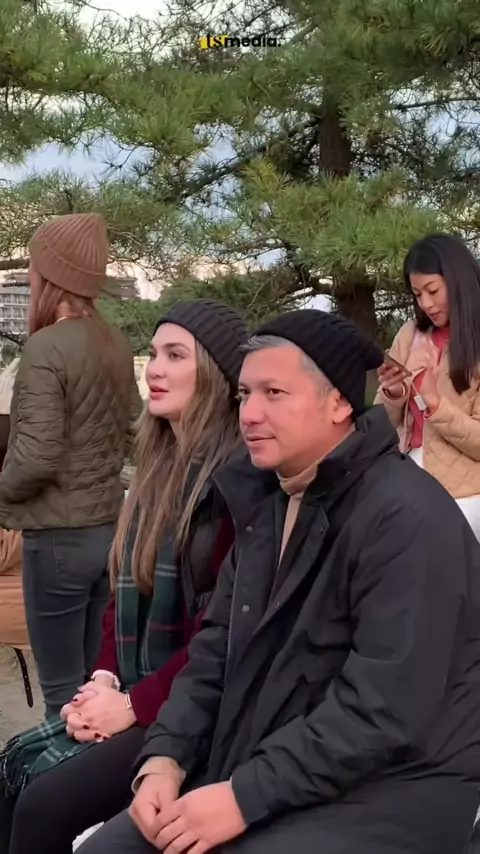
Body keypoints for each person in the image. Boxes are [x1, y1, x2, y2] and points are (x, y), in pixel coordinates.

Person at [79, 309, 480, 854]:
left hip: (395, 785)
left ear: (338, 402)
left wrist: (242, 797)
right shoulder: (267, 500)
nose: (250, 414)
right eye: (245, 394)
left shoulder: (406, 517)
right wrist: (165, 758)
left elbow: (382, 709)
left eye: (274, 393)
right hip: (271, 764)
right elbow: (215, 653)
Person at [0, 299, 247, 854]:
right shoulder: (157, 470)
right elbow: (124, 592)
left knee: (42, 803)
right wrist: (104, 681)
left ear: (217, 374)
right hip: (139, 693)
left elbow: (223, 638)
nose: (155, 369)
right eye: (154, 354)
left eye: (175, 356)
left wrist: (132, 707)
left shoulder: (235, 486)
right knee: (16, 770)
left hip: (196, 712)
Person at [0, 213, 142, 718]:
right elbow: (137, 431)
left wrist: (2, 493)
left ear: (50, 275)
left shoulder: (46, 346)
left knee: (61, 693)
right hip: (107, 532)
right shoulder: (115, 342)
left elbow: (35, 456)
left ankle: (59, 770)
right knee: (93, 685)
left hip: (56, 540)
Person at [375, 233, 480, 539]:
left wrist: (435, 405)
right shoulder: (410, 335)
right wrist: (394, 394)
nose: (426, 304)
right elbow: (380, 426)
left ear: (458, 281)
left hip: (464, 493)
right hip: (407, 476)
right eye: (417, 294)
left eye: (433, 290)